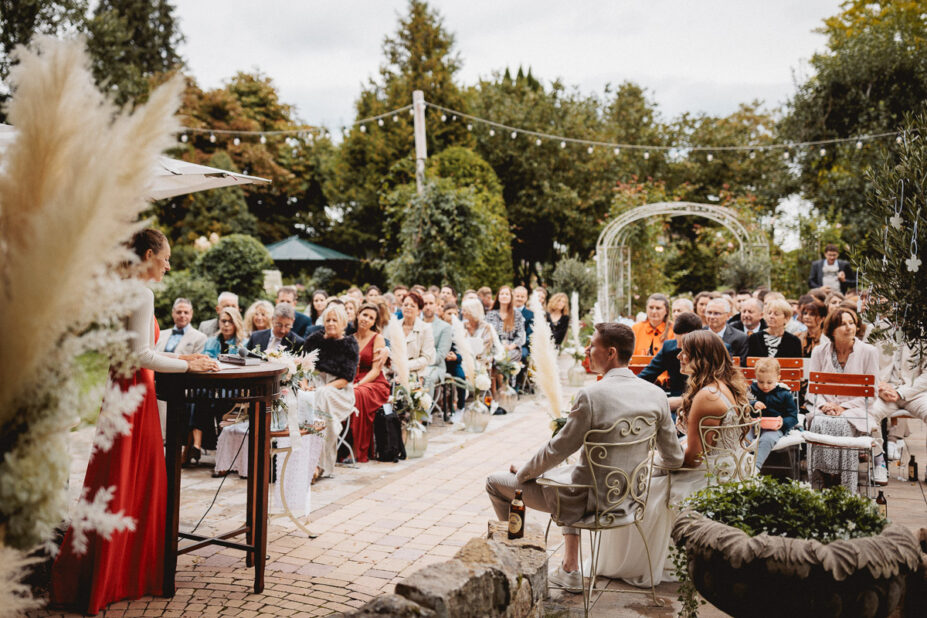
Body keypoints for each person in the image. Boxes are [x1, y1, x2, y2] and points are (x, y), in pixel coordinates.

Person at [51, 229, 218, 615]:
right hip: (135, 391)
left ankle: (105, 574)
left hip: (121, 388)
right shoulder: (141, 292)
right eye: (166, 257)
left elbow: (137, 348)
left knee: (115, 479)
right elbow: (142, 355)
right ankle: (124, 575)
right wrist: (184, 365)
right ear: (148, 254)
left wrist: (185, 361)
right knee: (131, 479)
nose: (169, 263)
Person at [486, 323, 684, 591]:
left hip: (587, 505)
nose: (587, 350)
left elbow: (557, 449)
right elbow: (673, 459)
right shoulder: (656, 395)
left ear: (611, 352)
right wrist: (634, 466)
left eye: (592, 345)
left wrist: (523, 474)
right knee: (569, 473)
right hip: (629, 502)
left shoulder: (591, 395)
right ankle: (569, 567)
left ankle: (516, 562)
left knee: (496, 482)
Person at [595, 329, 751, 586]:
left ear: (700, 358)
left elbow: (692, 459)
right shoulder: (719, 387)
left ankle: (637, 561)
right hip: (726, 465)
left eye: (685, 352)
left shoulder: (707, 397)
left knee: (639, 485)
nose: (678, 356)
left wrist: (656, 459)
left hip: (707, 476)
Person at [806, 307, 883, 485]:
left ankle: (844, 480)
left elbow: (871, 393)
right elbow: (813, 389)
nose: (849, 328)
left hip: (856, 410)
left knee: (843, 425)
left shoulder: (868, 351)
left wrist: (843, 408)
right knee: (818, 422)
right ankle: (818, 479)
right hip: (825, 408)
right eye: (842, 324)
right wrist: (824, 406)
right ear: (832, 330)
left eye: (851, 323)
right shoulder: (819, 351)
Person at [303, 303, 359, 480]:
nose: (331, 323)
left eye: (335, 320)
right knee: (296, 393)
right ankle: (297, 460)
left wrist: (323, 388)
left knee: (322, 395)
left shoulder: (349, 344)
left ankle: (319, 464)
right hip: (314, 382)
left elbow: (346, 379)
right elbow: (303, 367)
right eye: (328, 319)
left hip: (338, 390)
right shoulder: (314, 339)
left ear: (343, 323)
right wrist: (304, 383)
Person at [351, 303, 390, 463]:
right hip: (354, 379)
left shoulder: (377, 338)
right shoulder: (350, 338)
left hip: (374, 382)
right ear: (358, 315)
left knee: (358, 394)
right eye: (364, 315)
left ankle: (357, 450)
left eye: (371, 318)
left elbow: (375, 371)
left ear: (374, 322)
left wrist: (358, 384)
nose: (366, 319)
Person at [639, 311, 703, 398]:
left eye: (683, 346)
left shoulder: (711, 349)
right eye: (676, 340)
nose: (679, 354)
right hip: (675, 399)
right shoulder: (669, 348)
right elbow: (647, 375)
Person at [750, 358, 799, 470]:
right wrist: (753, 404)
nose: (765, 386)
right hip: (754, 425)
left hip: (775, 428)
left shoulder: (784, 394)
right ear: (756, 378)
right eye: (760, 382)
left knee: (766, 439)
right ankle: (740, 463)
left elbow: (793, 416)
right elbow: (743, 404)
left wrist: (783, 423)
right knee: (743, 437)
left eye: (769, 382)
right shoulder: (752, 391)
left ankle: (755, 467)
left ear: (778, 378)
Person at [486, 285, 526, 397]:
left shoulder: (516, 314)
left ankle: (503, 390)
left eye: (506, 294)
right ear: (498, 297)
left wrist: (511, 346)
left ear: (510, 297)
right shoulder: (491, 314)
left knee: (501, 360)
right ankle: (494, 394)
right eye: (502, 294)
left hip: (511, 348)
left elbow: (520, 335)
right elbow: (486, 333)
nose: (504, 296)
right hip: (495, 347)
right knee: (492, 359)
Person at [399, 291, 436, 385]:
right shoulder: (394, 325)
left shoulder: (426, 329)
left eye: (412, 305)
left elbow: (426, 358)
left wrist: (404, 366)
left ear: (419, 310)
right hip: (394, 371)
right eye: (405, 304)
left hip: (416, 372)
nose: (408, 307)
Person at [422, 292, 452, 393]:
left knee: (426, 377)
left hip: (435, 367)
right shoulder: (416, 324)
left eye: (431, 303)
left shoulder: (445, 327)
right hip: (415, 366)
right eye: (425, 304)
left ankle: (425, 408)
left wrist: (420, 363)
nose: (428, 307)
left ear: (436, 305)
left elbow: (440, 355)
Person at [704, 297, 748, 363]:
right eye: (709, 313)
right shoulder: (697, 334)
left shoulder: (740, 338)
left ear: (728, 316)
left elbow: (741, 365)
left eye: (716, 313)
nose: (712, 317)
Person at [461, 297, 494, 374]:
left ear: (472, 311)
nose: (462, 312)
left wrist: (475, 362)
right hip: (465, 360)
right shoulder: (462, 326)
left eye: (464, 310)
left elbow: (486, 350)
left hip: (482, 361)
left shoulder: (486, 327)